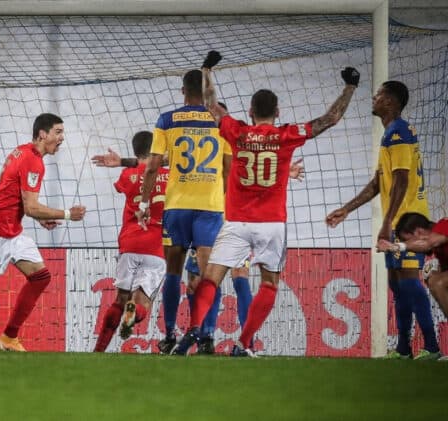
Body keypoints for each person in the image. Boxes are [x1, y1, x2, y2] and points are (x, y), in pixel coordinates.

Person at [175, 51, 359, 357]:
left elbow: (210, 104)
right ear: (277, 111)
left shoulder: (237, 132)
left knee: (211, 278)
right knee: (269, 283)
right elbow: (330, 119)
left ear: (249, 112)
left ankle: (194, 328)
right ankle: (242, 343)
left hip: (235, 221)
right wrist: (349, 87)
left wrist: (207, 69)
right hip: (271, 223)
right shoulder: (287, 135)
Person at [326, 81, 440, 359]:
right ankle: (403, 348)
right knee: (397, 284)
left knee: (410, 281)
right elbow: (380, 182)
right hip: (399, 218)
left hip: (410, 221)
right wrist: (347, 209)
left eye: (378, 95)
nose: (374, 98)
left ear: (389, 101)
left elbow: (401, 179)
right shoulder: (390, 133)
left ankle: (433, 347)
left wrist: (388, 220)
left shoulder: (399, 132)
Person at [0, 113, 86, 352]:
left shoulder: (24, 151)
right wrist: (68, 214)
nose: (62, 138)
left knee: (41, 277)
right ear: (43, 134)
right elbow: (30, 207)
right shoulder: (34, 161)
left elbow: (20, 200)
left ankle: (9, 338)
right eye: (58, 132)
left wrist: (41, 218)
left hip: (13, 231)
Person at [134, 68, 233, 354]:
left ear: (182, 91)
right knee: (209, 274)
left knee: (174, 273)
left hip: (176, 206)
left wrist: (144, 203)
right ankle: (207, 335)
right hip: (210, 208)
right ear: (206, 92)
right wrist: (222, 200)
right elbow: (228, 168)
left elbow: (152, 166)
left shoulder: (167, 120)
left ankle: (167, 334)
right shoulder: (221, 122)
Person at [185, 160, 305, 354]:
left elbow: (260, 178)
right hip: (209, 222)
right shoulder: (215, 153)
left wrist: (282, 173)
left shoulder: (239, 152)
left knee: (239, 277)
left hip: (235, 225)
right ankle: (205, 337)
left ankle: (245, 343)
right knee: (197, 281)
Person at [93, 131, 168, 352]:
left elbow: (134, 175)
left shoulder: (127, 175)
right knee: (143, 300)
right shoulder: (170, 175)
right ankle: (134, 311)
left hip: (130, 243)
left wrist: (127, 162)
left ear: (135, 151)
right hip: (157, 247)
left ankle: (99, 350)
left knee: (119, 299)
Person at [376, 212, 446, 360]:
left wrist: (398, 246)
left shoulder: (444, 225)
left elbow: (428, 243)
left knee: (436, 282)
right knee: (432, 278)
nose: (413, 249)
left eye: (410, 241)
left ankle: (430, 347)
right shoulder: (440, 249)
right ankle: (406, 348)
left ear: (419, 233)